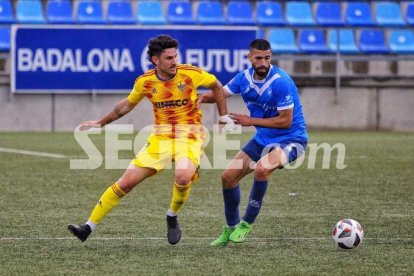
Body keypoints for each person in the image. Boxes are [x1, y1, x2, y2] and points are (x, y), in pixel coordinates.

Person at [67, 34, 235, 245]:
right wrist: (101, 123)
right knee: (126, 182)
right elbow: (125, 106)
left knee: (183, 176)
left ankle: (172, 216)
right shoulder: (145, 82)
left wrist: (223, 116)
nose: (174, 62)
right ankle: (87, 227)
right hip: (160, 139)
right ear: (156, 60)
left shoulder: (190, 74)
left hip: (190, 136)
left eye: (175, 56)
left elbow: (217, 86)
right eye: (169, 58)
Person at [198, 39, 308, 246]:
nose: (264, 63)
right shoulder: (244, 78)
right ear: (250, 57)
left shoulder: (280, 81)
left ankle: (246, 224)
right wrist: (201, 98)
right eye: (259, 58)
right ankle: (230, 228)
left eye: (267, 58)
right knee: (228, 177)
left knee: (262, 169)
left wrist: (250, 121)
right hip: (263, 138)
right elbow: (221, 94)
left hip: (292, 139)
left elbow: (285, 121)